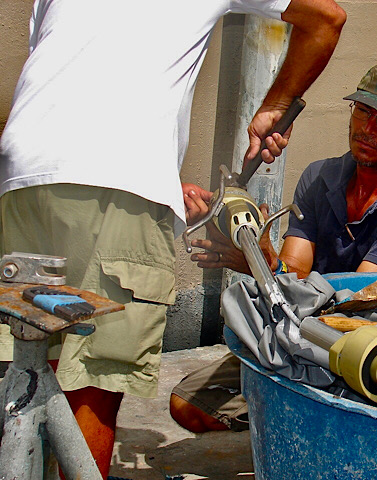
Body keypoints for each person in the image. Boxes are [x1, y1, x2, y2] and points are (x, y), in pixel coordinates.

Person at [0, 0, 345, 477]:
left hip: (23, 170)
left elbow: (68, 69)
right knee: (96, 378)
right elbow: (326, 18)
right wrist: (275, 106)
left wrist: (157, 181)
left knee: (31, 357)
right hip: (112, 180)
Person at [170, 60, 377, 432]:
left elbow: (358, 304)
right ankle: (288, 423)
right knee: (188, 406)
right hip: (310, 331)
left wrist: (268, 269)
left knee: (331, 421)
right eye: (363, 111)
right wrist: (256, 256)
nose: (368, 129)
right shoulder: (320, 177)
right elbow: (294, 273)